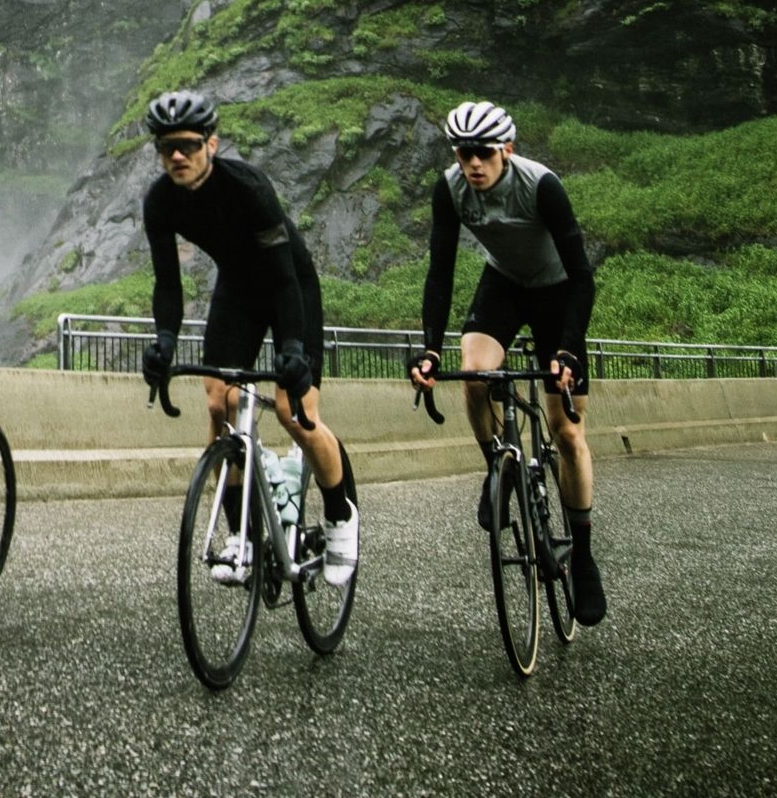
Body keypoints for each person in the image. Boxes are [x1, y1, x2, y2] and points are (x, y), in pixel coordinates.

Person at [136, 90, 360, 588]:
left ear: (211, 144)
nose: (177, 155)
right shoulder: (159, 201)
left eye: (188, 145)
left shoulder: (248, 186)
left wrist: (294, 350)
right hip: (236, 288)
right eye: (166, 146)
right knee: (219, 403)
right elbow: (167, 283)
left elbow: (283, 278)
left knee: (293, 412)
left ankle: (342, 515)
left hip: (289, 286)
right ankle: (240, 534)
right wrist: (166, 341)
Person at [408, 100, 606, 625]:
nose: (472, 163)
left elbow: (583, 275)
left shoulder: (541, 185)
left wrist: (565, 349)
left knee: (568, 433)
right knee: (474, 375)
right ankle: (497, 465)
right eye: (463, 152)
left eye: (483, 153)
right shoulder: (449, 188)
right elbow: (440, 273)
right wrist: (430, 347)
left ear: (506, 151)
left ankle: (583, 559)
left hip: (558, 291)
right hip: (505, 286)